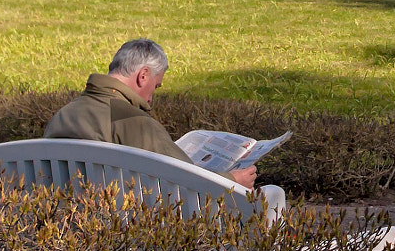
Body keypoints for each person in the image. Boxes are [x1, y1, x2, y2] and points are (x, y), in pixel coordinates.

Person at [43, 39, 257, 188]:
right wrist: (232, 180)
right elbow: (187, 179)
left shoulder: (63, 114)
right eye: (156, 86)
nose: (150, 99)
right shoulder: (131, 120)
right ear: (143, 76)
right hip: (120, 232)